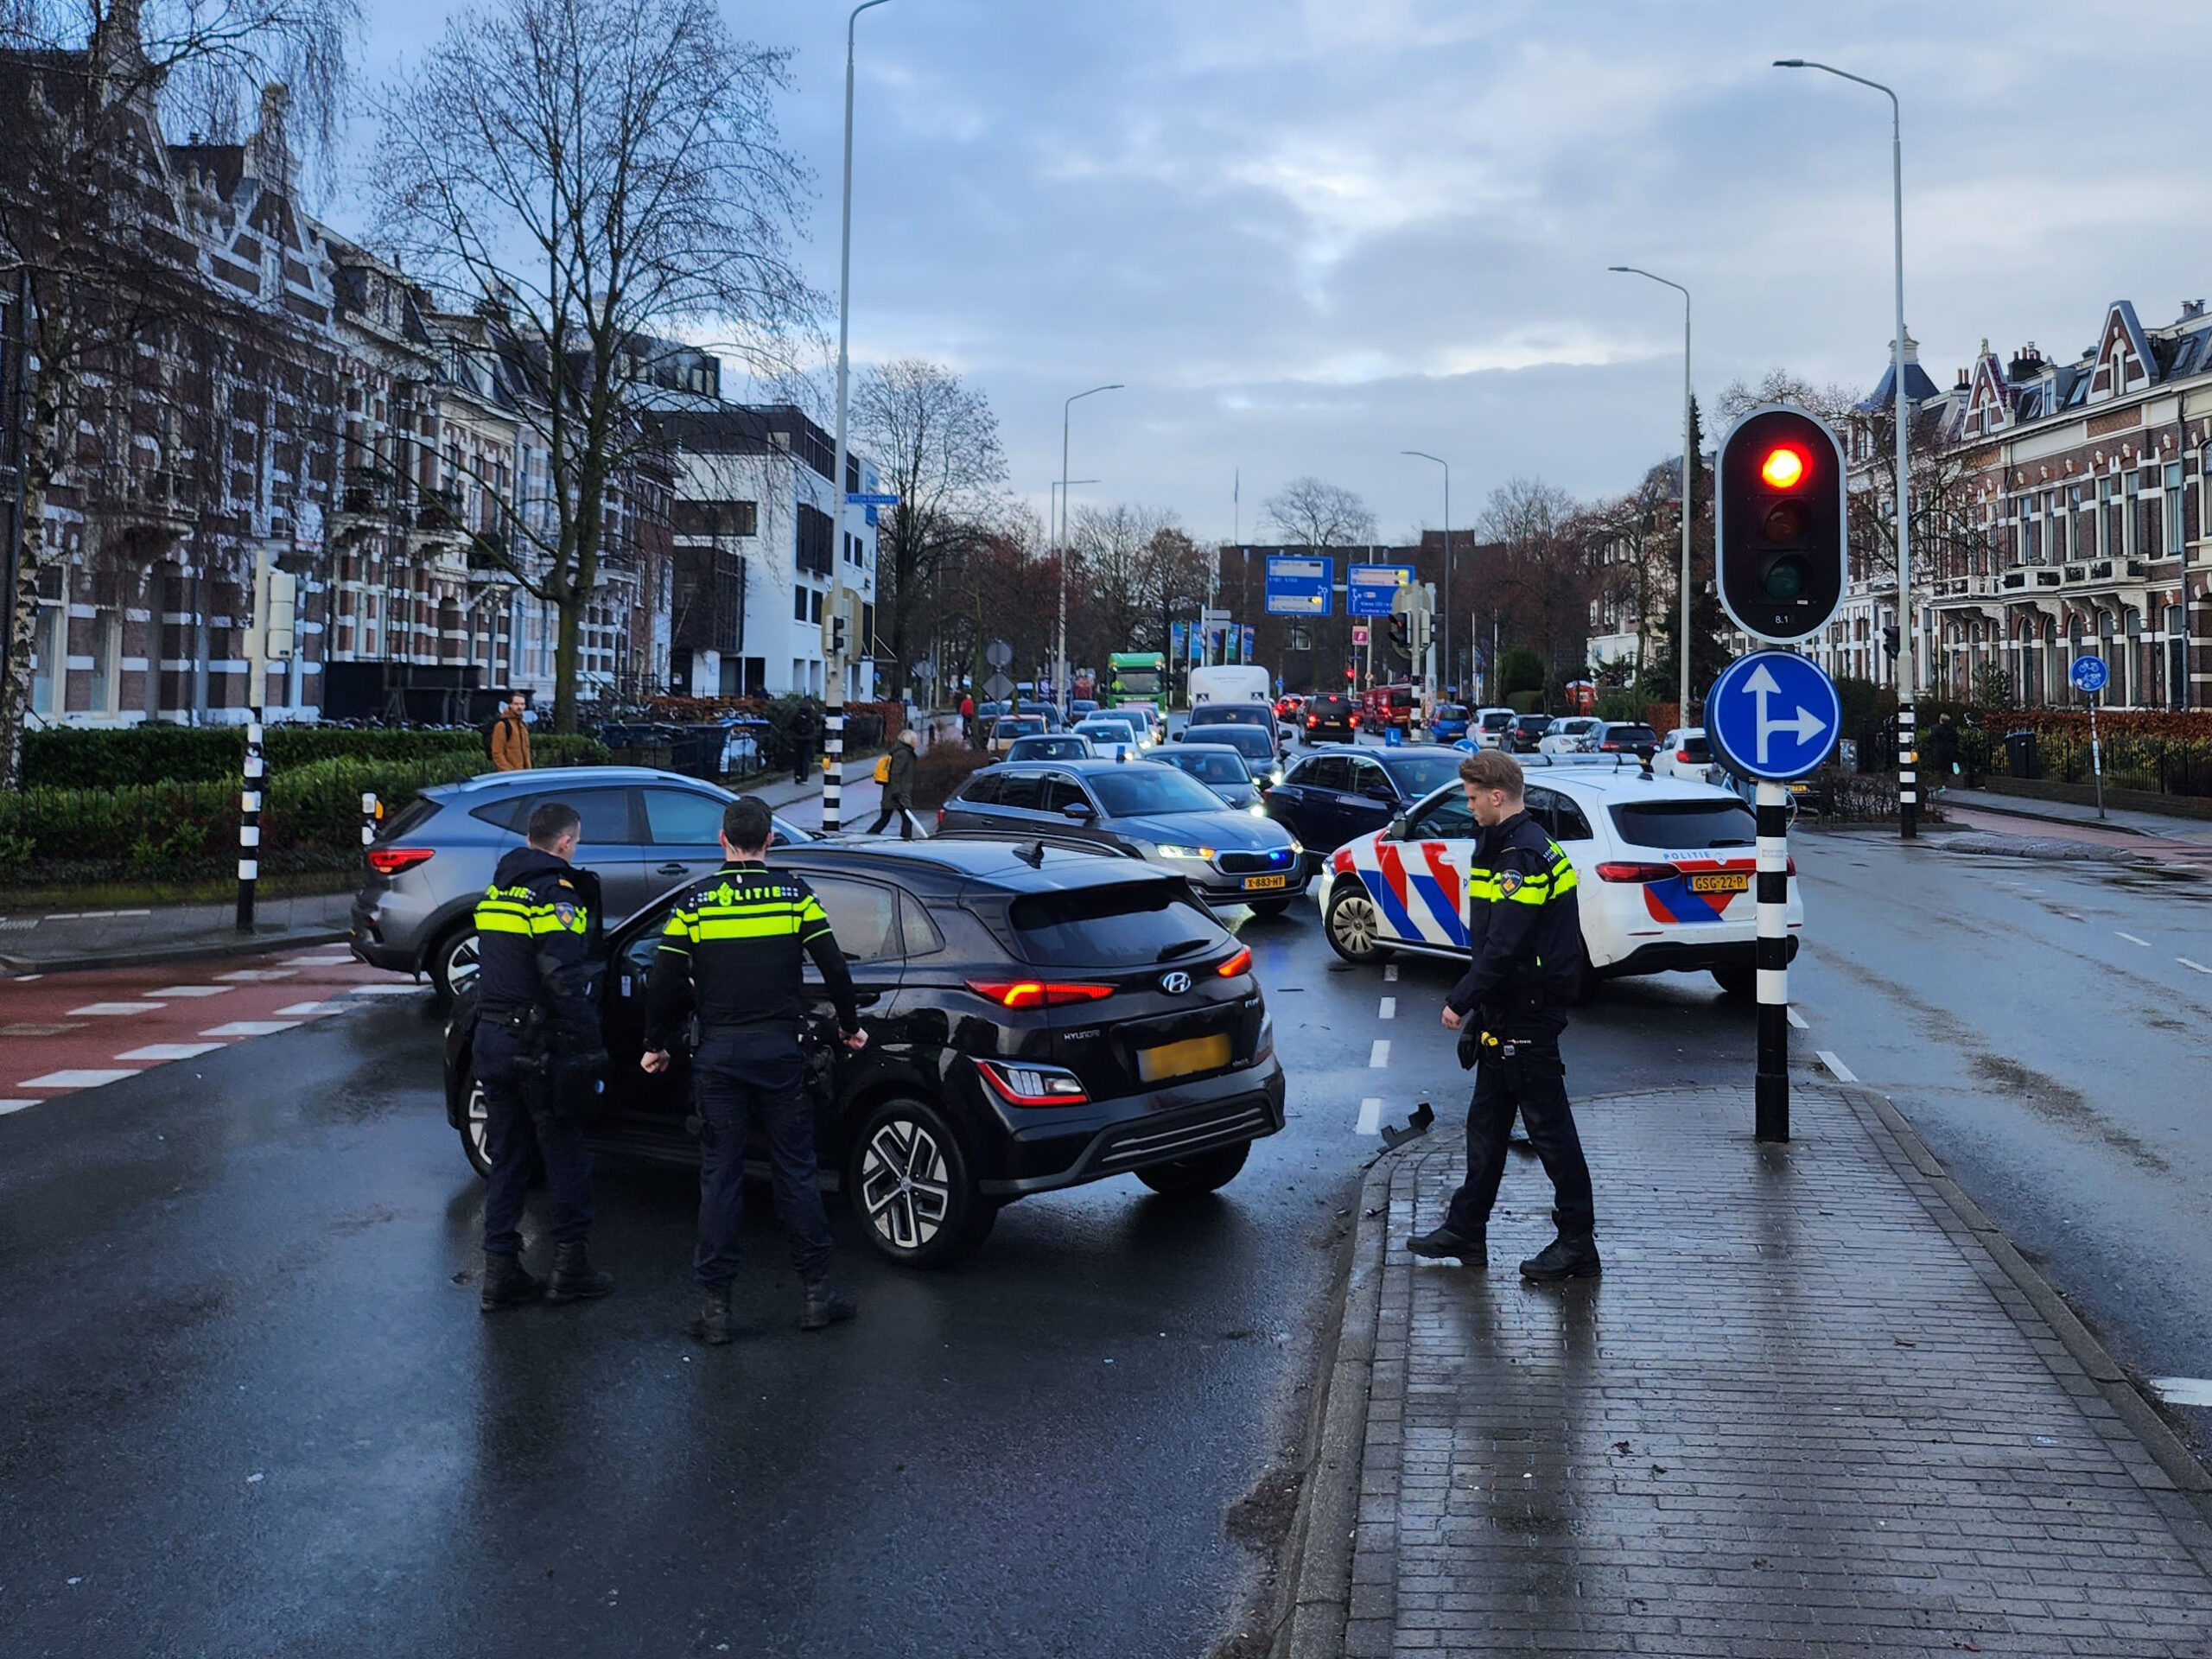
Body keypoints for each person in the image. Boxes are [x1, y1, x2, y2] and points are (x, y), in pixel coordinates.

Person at [641, 795, 868, 1344]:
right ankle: (816, 1295)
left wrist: (656, 1044)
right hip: (780, 1055)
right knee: (796, 1171)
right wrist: (849, 1026)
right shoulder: (796, 896)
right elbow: (834, 967)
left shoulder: (697, 902)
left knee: (720, 1178)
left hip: (719, 1058)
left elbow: (663, 978)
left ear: (723, 840)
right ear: (770, 840)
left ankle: (715, 1309)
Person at [1407, 749, 1599, 1281]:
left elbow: (1506, 946)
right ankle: (1467, 1229)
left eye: (1472, 799)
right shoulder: (1509, 846)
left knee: (1551, 1133)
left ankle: (1577, 1243)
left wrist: (1461, 999)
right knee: (1486, 1129)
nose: (1468, 809)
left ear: (1497, 796)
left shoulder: (1522, 857)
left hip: (1528, 1015)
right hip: (1509, 1011)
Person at [472, 800, 613, 1311]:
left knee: (509, 1156)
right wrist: (589, 1044)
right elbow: (563, 977)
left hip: (491, 1037)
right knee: (565, 1151)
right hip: (538, 1045)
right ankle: (569, 1267)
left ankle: (500, 1273)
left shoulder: (496, 891)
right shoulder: (556, 894)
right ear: (565, 843)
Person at [869, 728, 920, 838]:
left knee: (885, 818)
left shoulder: (901, 752)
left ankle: (870, 835)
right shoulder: (904, 754)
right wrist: (897, 792)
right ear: (910, 740)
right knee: (907, 819)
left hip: (893, 792)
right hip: (898, 793)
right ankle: (906, 841)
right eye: (915, 739)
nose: (917, 742)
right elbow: (896, 773)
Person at [490, 692, 532, 772]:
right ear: (510, 705)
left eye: (522, 704)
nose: (519, 707)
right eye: (516, 704)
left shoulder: (522, 725)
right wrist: (508, 772)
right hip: (510, 775)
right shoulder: (502, 725)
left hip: (523, 774)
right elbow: (497, 753)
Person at [787, 700, 820, 785]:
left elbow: (789, 725)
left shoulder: (796, 713)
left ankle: (797, 775)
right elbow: (818, 723)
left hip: (797, 739)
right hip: (809, 739)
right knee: (806, 759)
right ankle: (804, 778)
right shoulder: (813, 713)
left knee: (798, 758)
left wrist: (793, 735)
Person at [1927, 712, 1960, 784]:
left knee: (1939, 769)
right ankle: (1947, 781)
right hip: (1950, 752)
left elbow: (1930, 739)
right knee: (1947, 768)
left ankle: (1940, 782)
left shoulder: (1935, 729)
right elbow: (1956, 740)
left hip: (1938, 752)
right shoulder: (1952, 730)